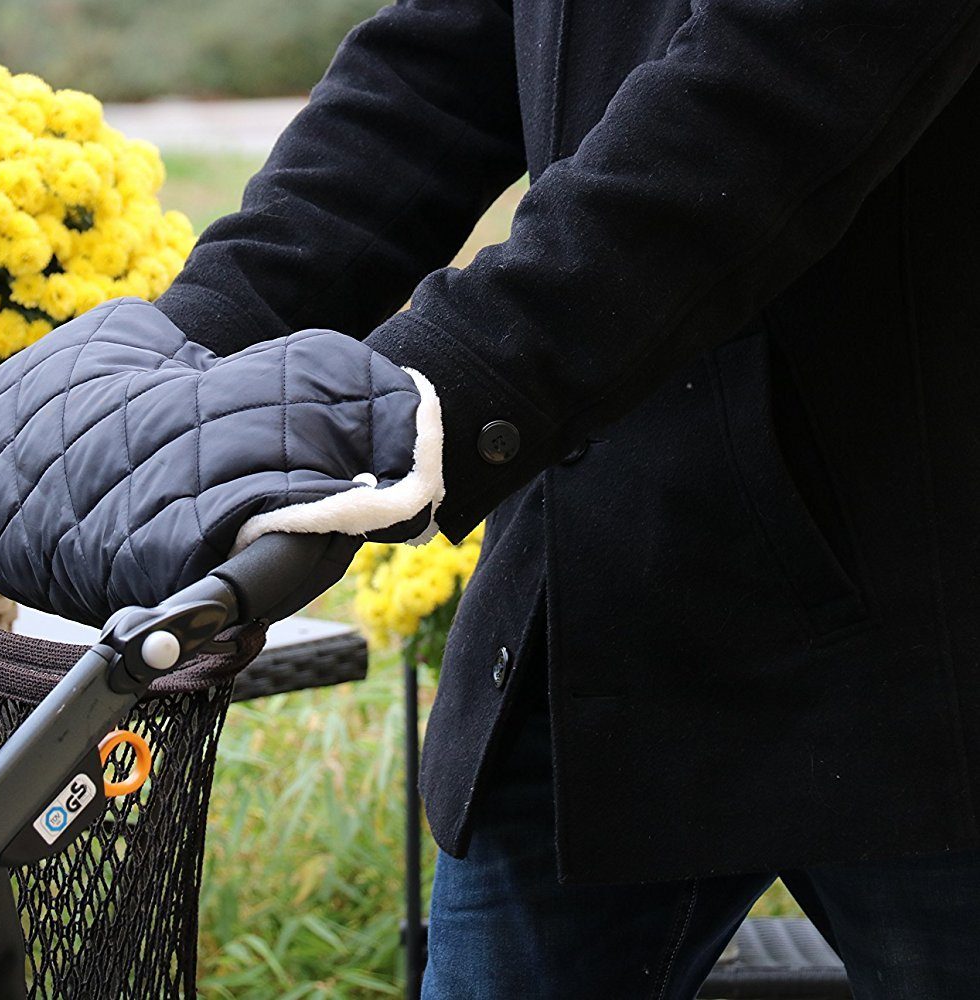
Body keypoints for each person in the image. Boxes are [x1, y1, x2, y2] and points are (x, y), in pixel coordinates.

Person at [142, 0, 980, 996]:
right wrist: (182, 359)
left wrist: (402, 398)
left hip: (919, 634)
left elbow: (761, 101)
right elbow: (428, 81)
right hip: (597, 613)